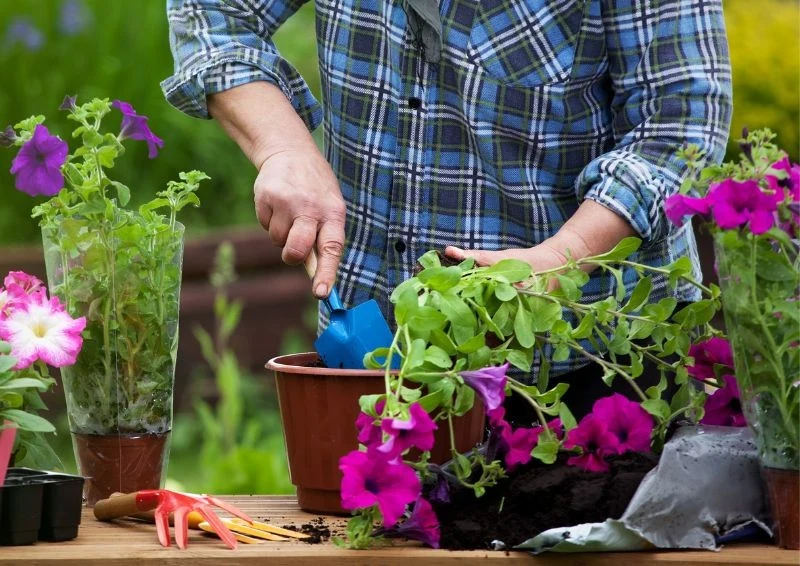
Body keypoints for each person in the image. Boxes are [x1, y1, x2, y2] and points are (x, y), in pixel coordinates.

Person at [162, 0, 732, 413]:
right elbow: (212, 12)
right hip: (373, 359)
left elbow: (681, 119)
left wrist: (566, 254)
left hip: (594, 365)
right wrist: (283, 149)